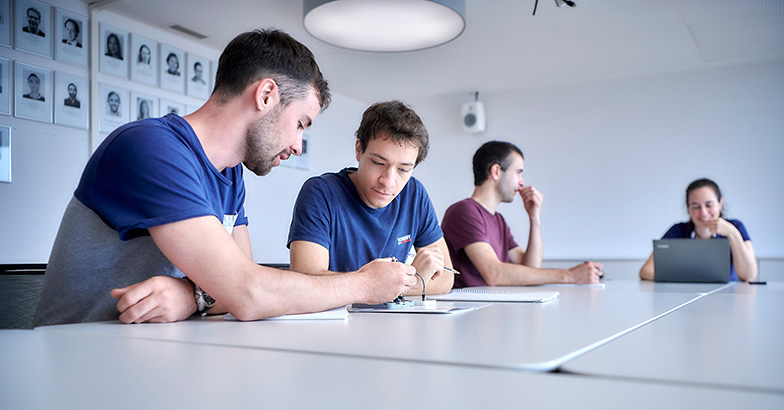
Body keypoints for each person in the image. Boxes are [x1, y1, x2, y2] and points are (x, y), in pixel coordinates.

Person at [33, 29, 415, 327]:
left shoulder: (230, 175)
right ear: (266, 94)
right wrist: (365, 284)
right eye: (300, 123)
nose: (298, 145)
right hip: (80, 351)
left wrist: (192, 295)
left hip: (156, 350)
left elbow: (237, 287)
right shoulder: (150, 147)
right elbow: (248, 294)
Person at [288, 101, 454, 297]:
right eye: (378, 163)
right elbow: (306, 280)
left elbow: (446, 277)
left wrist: (407, 284)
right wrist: (399, 283)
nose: (388, 182)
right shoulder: (321, 193)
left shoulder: (414, 194)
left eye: (403, 170)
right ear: (359, 149)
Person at [441, 141, 602, 287]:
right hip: (471, 313)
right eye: (518, 172)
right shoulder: (464, 212)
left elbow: (530, 270)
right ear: (496, 171)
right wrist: (569, 275)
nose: (522, 182)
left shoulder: (499, 220)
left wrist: (534, 218)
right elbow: (494, 274)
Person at [639, 178, 757, 282]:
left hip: (728, 297)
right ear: (688, 208)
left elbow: (749, 275)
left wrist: (732, 234)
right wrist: (688, 280)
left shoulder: (736, 227)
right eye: (696, 206)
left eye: (709, 205)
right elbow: (646, 271)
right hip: (686, 297)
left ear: (720, 203)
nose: (703, 213)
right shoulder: (678, 231)